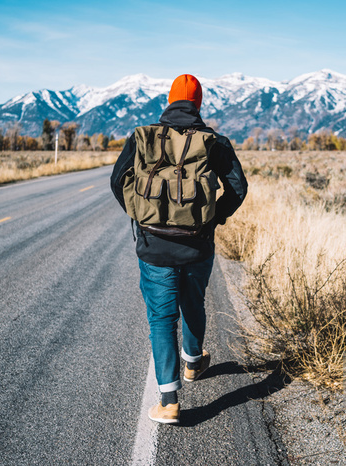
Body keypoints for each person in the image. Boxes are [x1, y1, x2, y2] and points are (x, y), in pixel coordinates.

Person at [110, 74, 247, 424]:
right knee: (193, 303)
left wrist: (141, 212)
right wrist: (213, 217)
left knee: (161, 319)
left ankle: (169, 401)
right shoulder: (214, 141)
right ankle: (192, 363)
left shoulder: (143, 137)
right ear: (198, 103)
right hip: (198, 245)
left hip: (154, 245)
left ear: (169, 101)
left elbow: (118, 180)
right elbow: (238, 188)